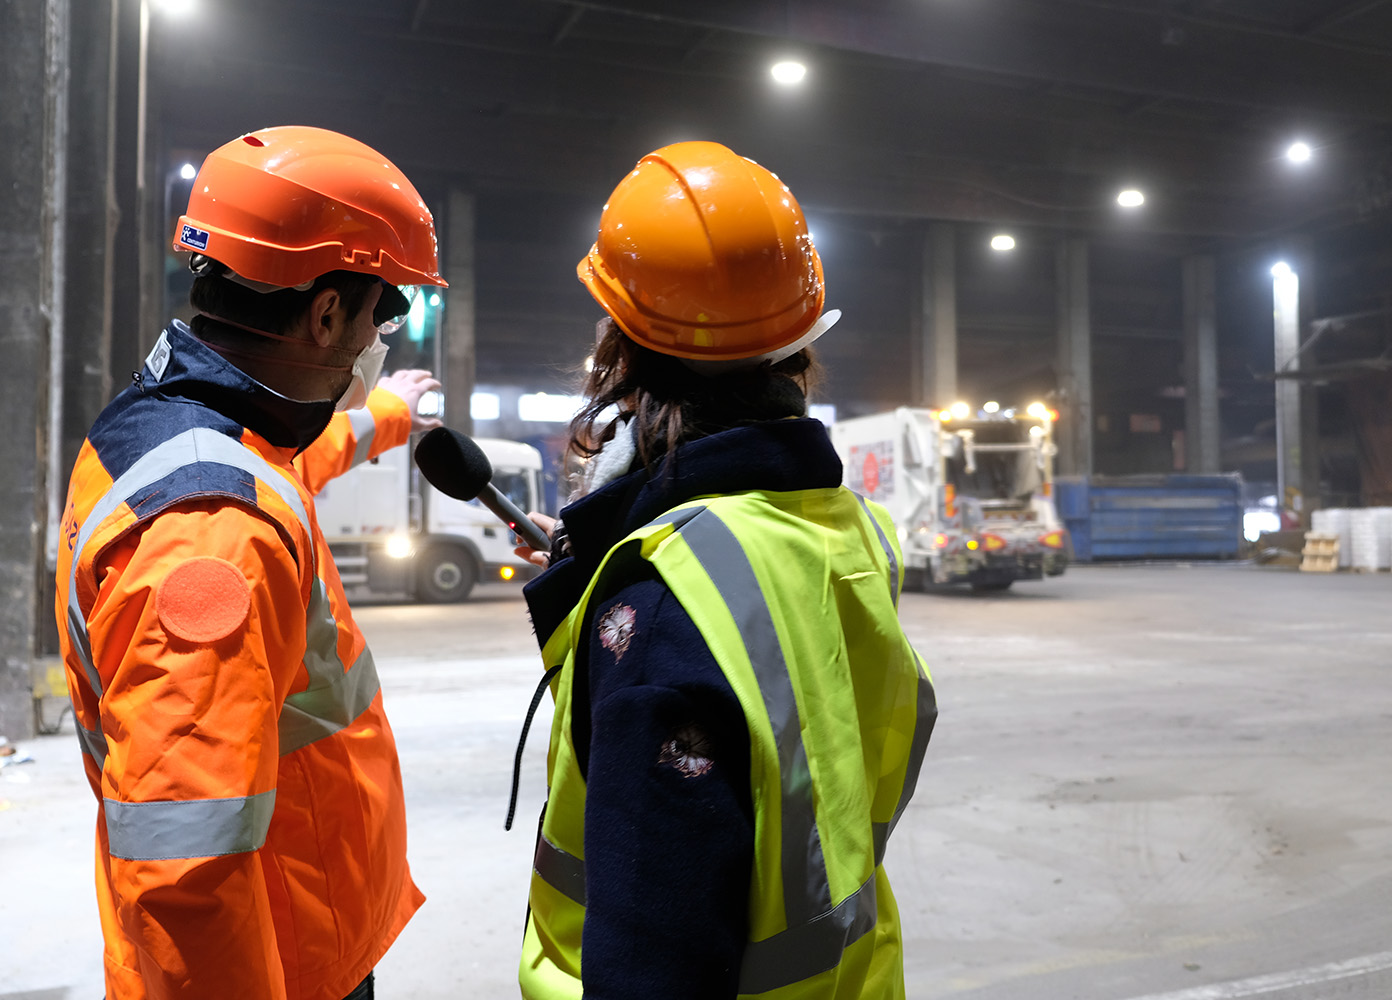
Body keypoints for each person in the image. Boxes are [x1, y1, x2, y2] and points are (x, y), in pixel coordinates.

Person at [513, 141, 938, 999]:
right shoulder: (840, 530)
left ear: (623, 353)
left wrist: (628, 583)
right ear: (796, 346)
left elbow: (653, 956)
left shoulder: (666, 601)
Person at [53, 126, 446, 1000]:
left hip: (300, 925)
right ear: (326, 314)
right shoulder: (211, 528)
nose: (380, 334)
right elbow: (185, 862)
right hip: (279, 956)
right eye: (383, 312)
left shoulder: (185, 433)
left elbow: (288, 463)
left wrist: (382, 418)